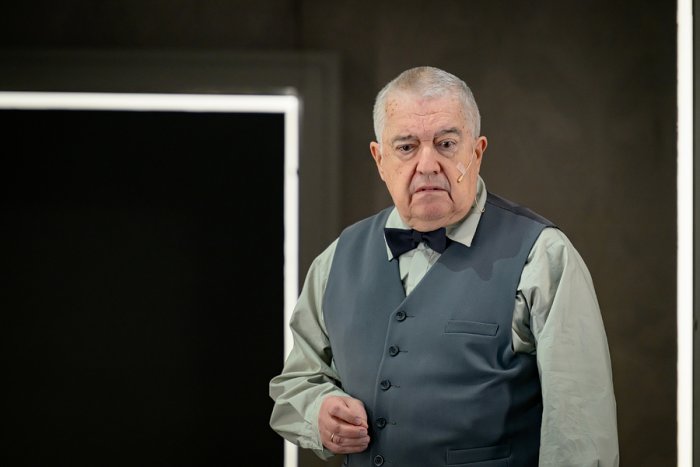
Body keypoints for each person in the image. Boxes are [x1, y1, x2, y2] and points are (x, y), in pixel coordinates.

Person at [269, 65, 619, 466]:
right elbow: (297, 382)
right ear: (380, 159)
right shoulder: (336, 259)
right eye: (406, 147)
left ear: (477, 152)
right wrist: (318, 411)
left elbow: (580, 435)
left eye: (447, 144)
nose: (428, 164)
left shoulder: (542, 256)